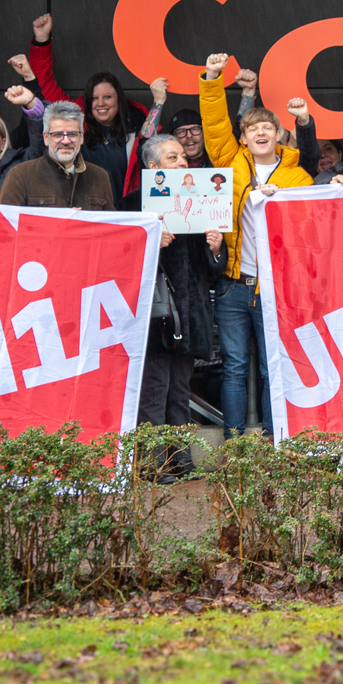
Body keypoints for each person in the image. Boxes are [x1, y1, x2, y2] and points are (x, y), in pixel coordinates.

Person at [200, 54, 317, 438]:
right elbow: (215, 125)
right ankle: (234, 443)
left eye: (268, 127)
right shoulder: (230, 162)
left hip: (275, 288)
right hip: (233, 284)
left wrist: (279, 198)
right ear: (245, 137)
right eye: (254, 129)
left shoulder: (298, 176)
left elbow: (308, 230)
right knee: (233, 366)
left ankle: (273, 438)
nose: (261, 133)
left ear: (279, 135)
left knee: (273, 366)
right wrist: (213, 79)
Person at [136, 133, 223, 480]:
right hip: (156, 316)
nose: (183, 162)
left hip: (189, 315)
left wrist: (216, 248)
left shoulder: (200, 202)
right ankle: (152, 465)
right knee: (154, 391)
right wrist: (151, 239)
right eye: (173, 158)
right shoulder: (134, 203)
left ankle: (181, 462)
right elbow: (124, 260)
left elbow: (213, 270)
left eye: (183, 158)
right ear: (153, 167)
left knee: (179, 391)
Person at [25, 14, 150, 204]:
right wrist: (41, 41)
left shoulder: (138, 128)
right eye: (94, 98)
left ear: (119, 100)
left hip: (125, 215)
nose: (101, 103)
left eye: (107, 97)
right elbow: (45, 87)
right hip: (87, 215)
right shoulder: (76, 121)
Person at [0, 100, 117, 210]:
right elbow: (4, 227)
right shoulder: (20, 175)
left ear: (81, 137)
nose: (65, 141)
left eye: (73, 134)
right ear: (45, 137)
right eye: (57, 134)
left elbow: (109, 228)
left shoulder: (100, 176)